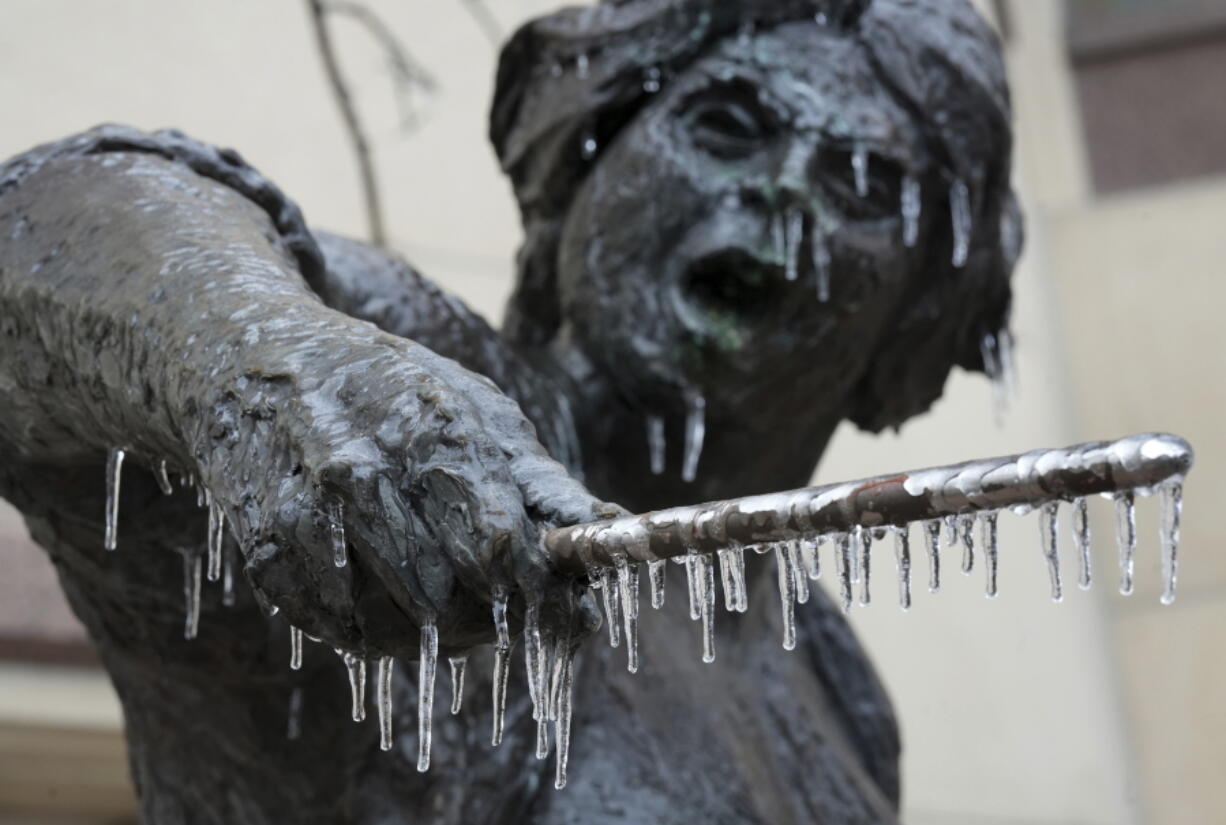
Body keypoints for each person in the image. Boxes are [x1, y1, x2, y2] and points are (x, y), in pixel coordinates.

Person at [0, 0, 1019, 822]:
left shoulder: (827, 678)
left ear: (914, 321)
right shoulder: (416, 418)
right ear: (584, 163)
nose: (783, 195)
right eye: (727, 128)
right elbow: (43, 223)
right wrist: (257, 361)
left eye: (864, 186)